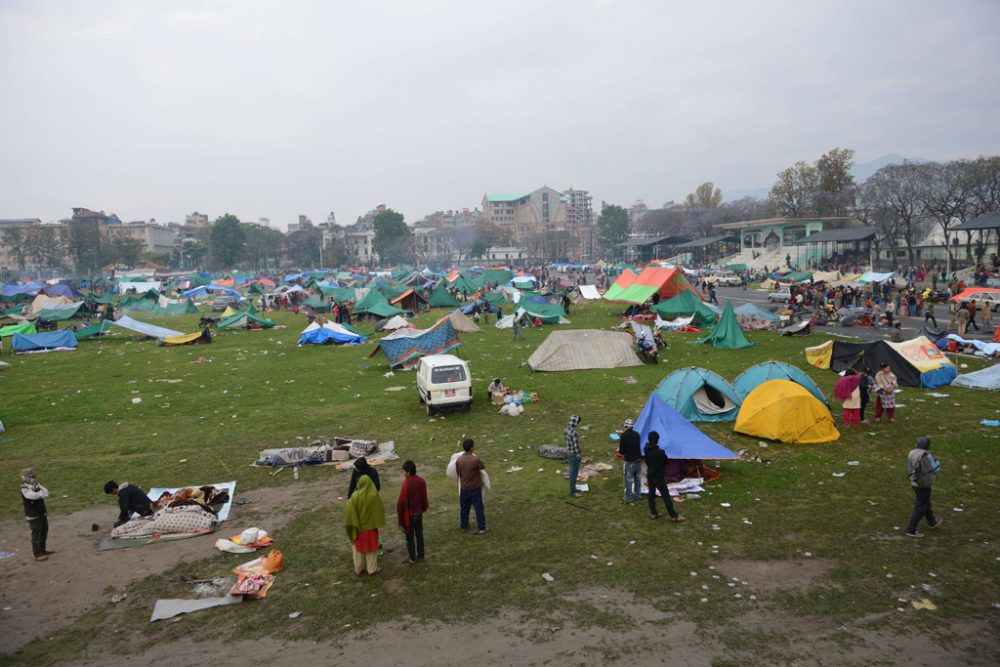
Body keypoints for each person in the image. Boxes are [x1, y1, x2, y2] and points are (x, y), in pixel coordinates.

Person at [344, 476, 385, 575]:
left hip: (358, 529)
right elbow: (379, 510)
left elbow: (348, 511)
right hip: (370, 528)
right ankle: (372, 569)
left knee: (358, 550)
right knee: (371, 550)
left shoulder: (354, 498)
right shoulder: (374, 496)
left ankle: (358, 569)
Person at [906, 436, 943, 538]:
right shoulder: (927, 455)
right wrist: (938, 462)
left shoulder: (911, 453)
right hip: (924, 484)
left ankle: (932, 522)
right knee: (921, 507)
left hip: (914, 482)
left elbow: (910, 468)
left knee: (925, 502)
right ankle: (911, 529)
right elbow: (935, 470)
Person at [644, 431, 685, 522]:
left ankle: (654, 513)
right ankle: (674, 516)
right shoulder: (660, 452)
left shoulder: (646, 449)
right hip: (658, 477)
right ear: (657, 440)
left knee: (651, 494)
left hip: (650, 475)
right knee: (666, 496)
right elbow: (666, 462)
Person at [396, 460, 428, 563]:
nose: (403, 474)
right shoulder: (421, 481)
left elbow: (401, 502)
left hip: (410, 515)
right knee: (419, 534)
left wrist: (400, 517)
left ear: (408, 472)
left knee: (409, 537)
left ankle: (412, 558)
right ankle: (421, 555)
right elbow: (424, 496)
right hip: (419, 513)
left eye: (404, 471)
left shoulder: (407, 484)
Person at [455, 438, 487, 534]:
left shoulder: (459, 460)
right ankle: (481, 527)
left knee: (464, 508)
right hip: (474, 488)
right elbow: (482, 466)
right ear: (471, 448)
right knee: (478, 508)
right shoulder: (474, 459)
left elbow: (457, 472)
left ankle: (464, 526)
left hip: (464, 488)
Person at [21, 468, 52, 561]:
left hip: (41, 512)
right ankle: (37, 553)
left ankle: (42, 549)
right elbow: (32, 496)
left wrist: (40, 493)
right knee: (37, 534)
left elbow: (45, 492)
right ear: (27, 477)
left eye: (34, 476)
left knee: (44, 531)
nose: (34, 478)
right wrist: (40, 494)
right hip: (33, 515)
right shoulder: (24, 487)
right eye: (32, 476)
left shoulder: (35, 484)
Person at [618, 418, 642, 505]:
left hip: (630, 461)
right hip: (638, 460)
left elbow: (622, 451)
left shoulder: (623, 436)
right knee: (638, 479)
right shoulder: (637, 435)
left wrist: (620, 450)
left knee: (628, 480)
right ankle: (638, 494)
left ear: (625, 426)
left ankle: (628, 498)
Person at [564, 415, 583, 498]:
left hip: (569, 452)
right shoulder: (573, 432)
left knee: (572, 472)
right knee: (573, 474)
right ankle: (573, 492)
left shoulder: (566, 430)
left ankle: (574, 488)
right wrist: (579, 455)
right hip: (574, 454)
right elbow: (575, 446)